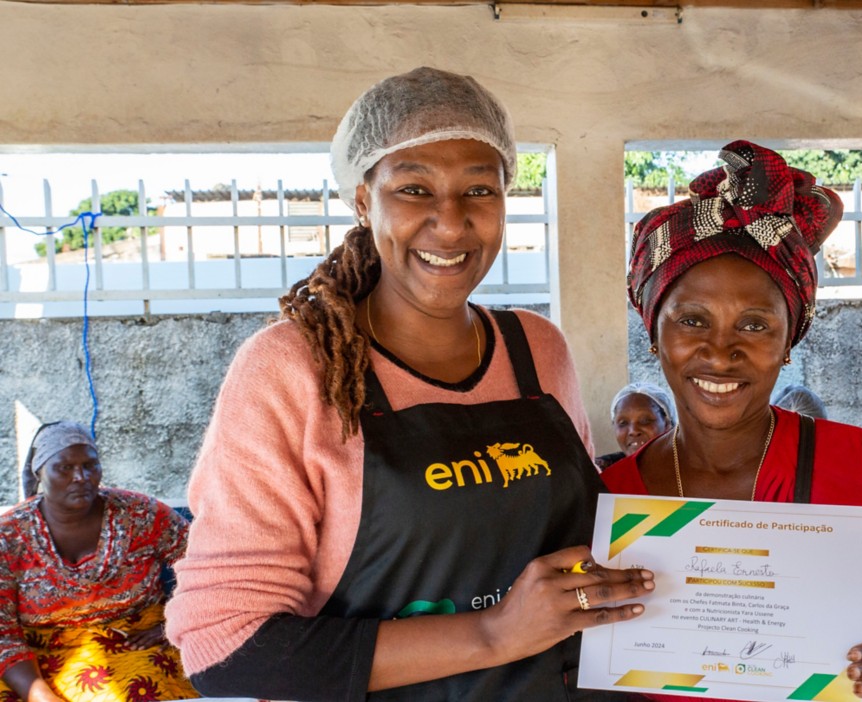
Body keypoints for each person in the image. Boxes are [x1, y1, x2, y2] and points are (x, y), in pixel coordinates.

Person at [164, 67, 652, 701]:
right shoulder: (292, 370)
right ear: (364, 201)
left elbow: (583, 548)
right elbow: (226, 647)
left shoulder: (538, 348)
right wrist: (495, 633)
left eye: (479, 189)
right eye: (414, 189)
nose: (450, 224)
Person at [601, 140, 862, 702]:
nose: (720, 351)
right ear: (654, 332)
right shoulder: (612, 501)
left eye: (755, 325)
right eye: (691, 320)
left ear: (790, 340)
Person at [0, 421, 196, 702]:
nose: (81, 477)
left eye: (90, 465)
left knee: (142, 690)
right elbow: (2, 634)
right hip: (33, 655)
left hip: (133, 642)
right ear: (39, 472)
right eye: (64, 467)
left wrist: (175, 625)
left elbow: (207, 568)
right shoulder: (8, 536)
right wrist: (39, 695)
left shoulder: (140, 514)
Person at [595, 382, 676, 469]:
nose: (633, 431)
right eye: (623, 423)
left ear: (667, 424)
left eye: (645, 421)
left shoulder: (686, 471)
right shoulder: (601, 475)